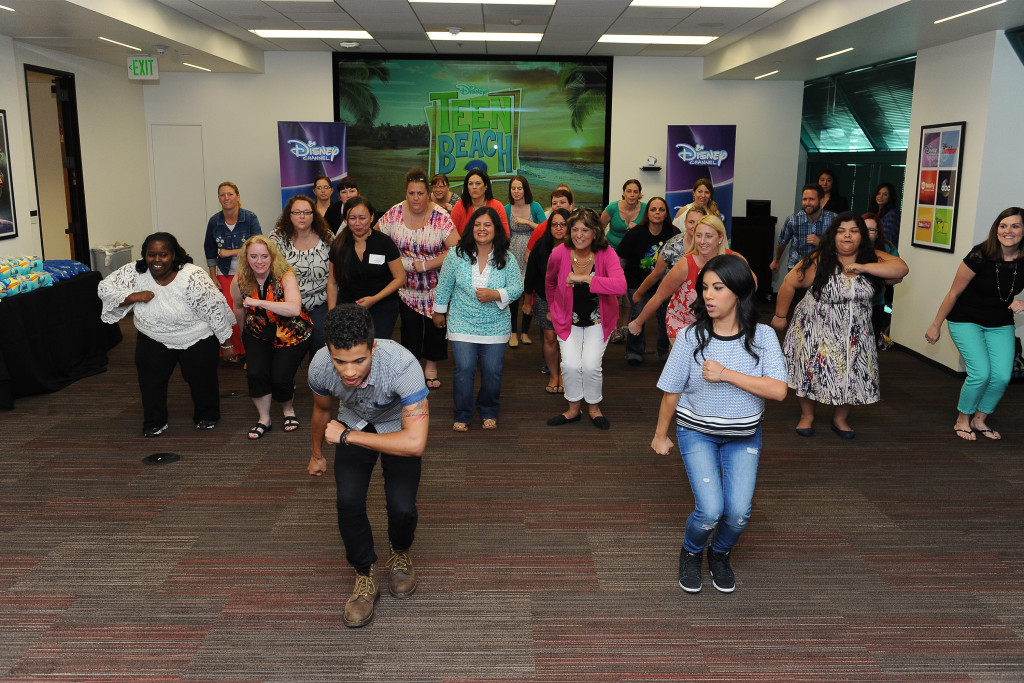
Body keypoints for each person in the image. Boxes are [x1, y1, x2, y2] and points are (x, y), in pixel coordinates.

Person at [651, 254, 788, 593]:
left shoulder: (763, 336)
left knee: (739, 514)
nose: (708, 295)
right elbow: (671, 390)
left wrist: (726, 374)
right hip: (697, 432)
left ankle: (720, 552)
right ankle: (691, 552)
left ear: (739, 291)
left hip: (743, 435)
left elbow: (778, 390)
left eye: (718, 288)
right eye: (705, 288)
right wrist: (660, 435)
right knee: (710, 510)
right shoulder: (690, 336)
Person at [306, 304, 430, 628]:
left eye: (359, 360)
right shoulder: (319, 366)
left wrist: (347, 437)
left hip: (397, 426)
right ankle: (364, 573)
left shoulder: (403, 365)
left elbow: (415, 443)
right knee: (348, 501)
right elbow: (322, 410)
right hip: (354, 420)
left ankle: (400, 551)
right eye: (340, 361)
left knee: (402, 507)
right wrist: (316, 453)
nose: (349, 371)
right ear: (328, 350)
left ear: (373, 347)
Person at [772, 212, 909, 439]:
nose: (847, 236)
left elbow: (901, 269)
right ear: (833, 236)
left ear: (862, 236)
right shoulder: (819, 259)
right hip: (815, 328)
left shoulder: (873, 258)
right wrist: (780, 315)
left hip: (856, 332)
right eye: (841, 231)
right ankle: (807, 416)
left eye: (854, 231)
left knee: (851, 373)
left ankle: (840, 419)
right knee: (811, 372)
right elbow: (788, 283)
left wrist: (862, 267)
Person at [98, 233, 235, 437]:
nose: (157, 260)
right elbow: (104, 288)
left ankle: (207, 415)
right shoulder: (135, 272)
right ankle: (155, 421)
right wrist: (134, 296)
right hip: (153, 335)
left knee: (201, 379)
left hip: (195, 335)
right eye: (151, 254)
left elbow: (214, 309)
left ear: (174, 255)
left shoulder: (193, 276)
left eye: (163, 254)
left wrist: (226, 343)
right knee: (151, 381)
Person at [925, 207, 1024, 441]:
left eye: (1015, 226)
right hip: (965, 319)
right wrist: (936, 324)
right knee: (981, 373)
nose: (1008, 231)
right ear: (996, 229)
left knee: (1001, 376)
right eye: (1003, 225)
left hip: (1000, 323)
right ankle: (962, 418)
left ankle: (980, 419)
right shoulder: (979, 255)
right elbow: (953, 293)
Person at [432, 206, 523, 431]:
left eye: (487, 225)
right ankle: (462, 414)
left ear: (496, 229)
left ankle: (489, 411)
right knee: (464, 368)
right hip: (462, 321)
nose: (482, 229)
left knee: (492, 371)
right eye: (477, 224)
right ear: (471, 228)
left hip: (496, 324)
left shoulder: (507, 257)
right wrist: (438, 311)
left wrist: (496, 294)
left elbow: (517, 287)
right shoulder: (456, 255)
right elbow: (445, 284)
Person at [545, 207, 627, 430]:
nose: (579, 235)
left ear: (595, 233)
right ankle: (573, 409)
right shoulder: (559, 253)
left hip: (599, 320)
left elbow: (620, 286)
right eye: (575, 229)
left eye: (585, 230)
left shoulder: (606, 253)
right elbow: (550, 282)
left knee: (590, 366)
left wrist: (586, 278)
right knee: (570, 365)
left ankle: (593, 408)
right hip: (567, 320)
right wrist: (552, 307)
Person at [378, 168, 460, 390]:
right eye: (411, 193)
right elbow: (376, 238)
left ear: (428, 194)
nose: (415, 198)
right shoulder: (394, 213)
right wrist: (395, 263)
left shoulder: (440, 216)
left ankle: (431, 367)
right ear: (406, 193)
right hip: (405, 287)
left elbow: (456, 249)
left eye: (420, 193)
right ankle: (412, 368)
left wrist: (426, 265)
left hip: (436, 286)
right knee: (409, 329)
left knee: (436, 328)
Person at [230, 235, 313, 439]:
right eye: (254, 256)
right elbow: (238, 306)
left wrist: (259, 302)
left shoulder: (285, 275)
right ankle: (264, 419)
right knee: (256, 374)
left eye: (264, 256)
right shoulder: (240, 278)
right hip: (257, 332)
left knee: (280, 377)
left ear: (272, 257)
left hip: (290, 333)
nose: (259, 261)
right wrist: (244, 332)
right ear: (246, 258)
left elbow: (294, 309)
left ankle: (288, 411)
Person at [629, 214, 744, 345]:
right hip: (682, 324)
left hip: (716, 326)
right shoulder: (686, 264)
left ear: (720, 237)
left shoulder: (733, 260)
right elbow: (659, 296)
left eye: (708, 236)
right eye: (698, 235)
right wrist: (638, 322)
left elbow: (751, 285)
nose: (702, 241)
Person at [327, 196, 404, 339]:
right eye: (352, 218)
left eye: (362, 218)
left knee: (377, 345)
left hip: (383, 305)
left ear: (372, 217)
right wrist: (332, 316)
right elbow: (332, 282)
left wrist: (374, 299)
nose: (357, 223)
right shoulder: (338, 245)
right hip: (349, 306)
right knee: (351, 345)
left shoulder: (384, 243)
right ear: (345, 221)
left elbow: (400, 278)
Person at [616, 197, 679, 364]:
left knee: (666, 316)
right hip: (637, 283)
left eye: (661, 209)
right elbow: (620, 257)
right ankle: (634, 352)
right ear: (647, 213)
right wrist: (618, 282)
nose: (657, 213)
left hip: (664, 284)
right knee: (638, 314)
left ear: (666, 213)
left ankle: (665, 352)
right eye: (653, 209)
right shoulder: (635, 233)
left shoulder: (674, 233)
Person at [203, 181, 262, 359]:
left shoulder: (250, 218)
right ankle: (235, 350)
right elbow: (210, 250)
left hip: (249, 272)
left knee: (251, 312)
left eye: (230, 194)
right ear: (219, 198)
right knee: (228, 313)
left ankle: (251, 351)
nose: (226, 198)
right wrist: (213, 276)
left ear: (238, 196)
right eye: (222, 195)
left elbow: (258, 244)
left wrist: (229, 252)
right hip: (224, 273)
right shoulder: (214, 221)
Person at [270, 194, 334, 358]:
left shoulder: (326, 236)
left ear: (314, 215)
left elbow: (336, 272)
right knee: (289, 350)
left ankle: (317, 372)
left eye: (306, 212)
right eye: (297, 212)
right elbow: (269, 270)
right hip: (287, 304)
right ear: (289, 215)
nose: (302, 216)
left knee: (320, 341)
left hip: (320, 302)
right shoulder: (277, 237)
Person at [523, 208, 570, 393]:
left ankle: (564, 375)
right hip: (544, 298)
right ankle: (553, 375)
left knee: (565, 339)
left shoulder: (576, 246)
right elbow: (531, 275)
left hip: (569, 300)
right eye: (554, 224)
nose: (558, 228)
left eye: (563, 224)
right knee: (550, 338)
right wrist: (527, 302)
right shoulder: (541, 245)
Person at [631, 205, 708, 313]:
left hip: (702, 301)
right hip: (671, 301)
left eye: (699, 222)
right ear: (685, 223)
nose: (695, 226)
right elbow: (656, 273)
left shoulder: (710, 244)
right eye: (691, 222)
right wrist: (639, 293)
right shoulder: (672, 245)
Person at [504, 175, 546, 348]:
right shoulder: (506, 208)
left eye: (519, 188)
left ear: (525, 189)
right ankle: (513, 332)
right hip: (512, 254)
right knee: (514, 295)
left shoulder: (535, 206)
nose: (516, 191)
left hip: (532, 254)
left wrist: (526, 222)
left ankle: (525, 332)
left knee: (530, 292)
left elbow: (546, 228)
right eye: (513, 188)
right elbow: (503, 232)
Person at [769, 183, 836, 277]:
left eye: (811, 199)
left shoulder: (833, 219)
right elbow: (782, 242)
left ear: (821, 201)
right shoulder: (793, 220)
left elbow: (839, 246)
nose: (807, 203)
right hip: (797, 266)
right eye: (805, 199)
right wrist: (776, 261)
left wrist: (821, 243)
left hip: (823, 267)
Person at [864, 212, 902, 347]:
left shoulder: (887, 249)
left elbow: (898, 276)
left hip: (875, 304)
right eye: (863, 228)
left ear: (878, 233)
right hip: (852, 304)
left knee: (871, 345)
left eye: (871, 230)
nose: (866, 233)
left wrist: (874, 279)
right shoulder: (848, 247)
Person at [449, 169, 510, 237]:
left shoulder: (497, 206)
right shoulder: (459, 206)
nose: (474, 187)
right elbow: (451, 235)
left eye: (478, 183)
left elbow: (505, 235)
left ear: (486, 186)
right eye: (470, 184)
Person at [600, 178, 646, 250]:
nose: (632, 195)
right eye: (629, 191)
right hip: (611, 249)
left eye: (635, 192)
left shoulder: (646, 209)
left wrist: (638, 229)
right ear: (623, 193)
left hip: (635, 250)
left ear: (639, 194)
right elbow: (599, 229)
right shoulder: (612, 207)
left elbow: (651, 231)